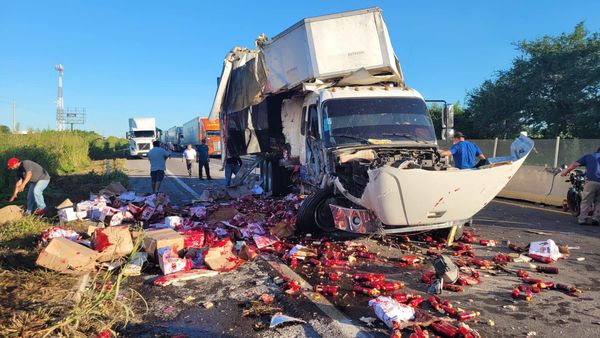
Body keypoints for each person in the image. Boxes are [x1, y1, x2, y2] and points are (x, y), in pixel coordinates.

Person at [561, 147, 600, 225]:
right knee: (599, 202)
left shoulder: (589, 156)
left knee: (586, 201)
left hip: (591, 182)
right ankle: (596, 219)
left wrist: (566, 172)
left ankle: (582, 219)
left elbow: (575, 164)